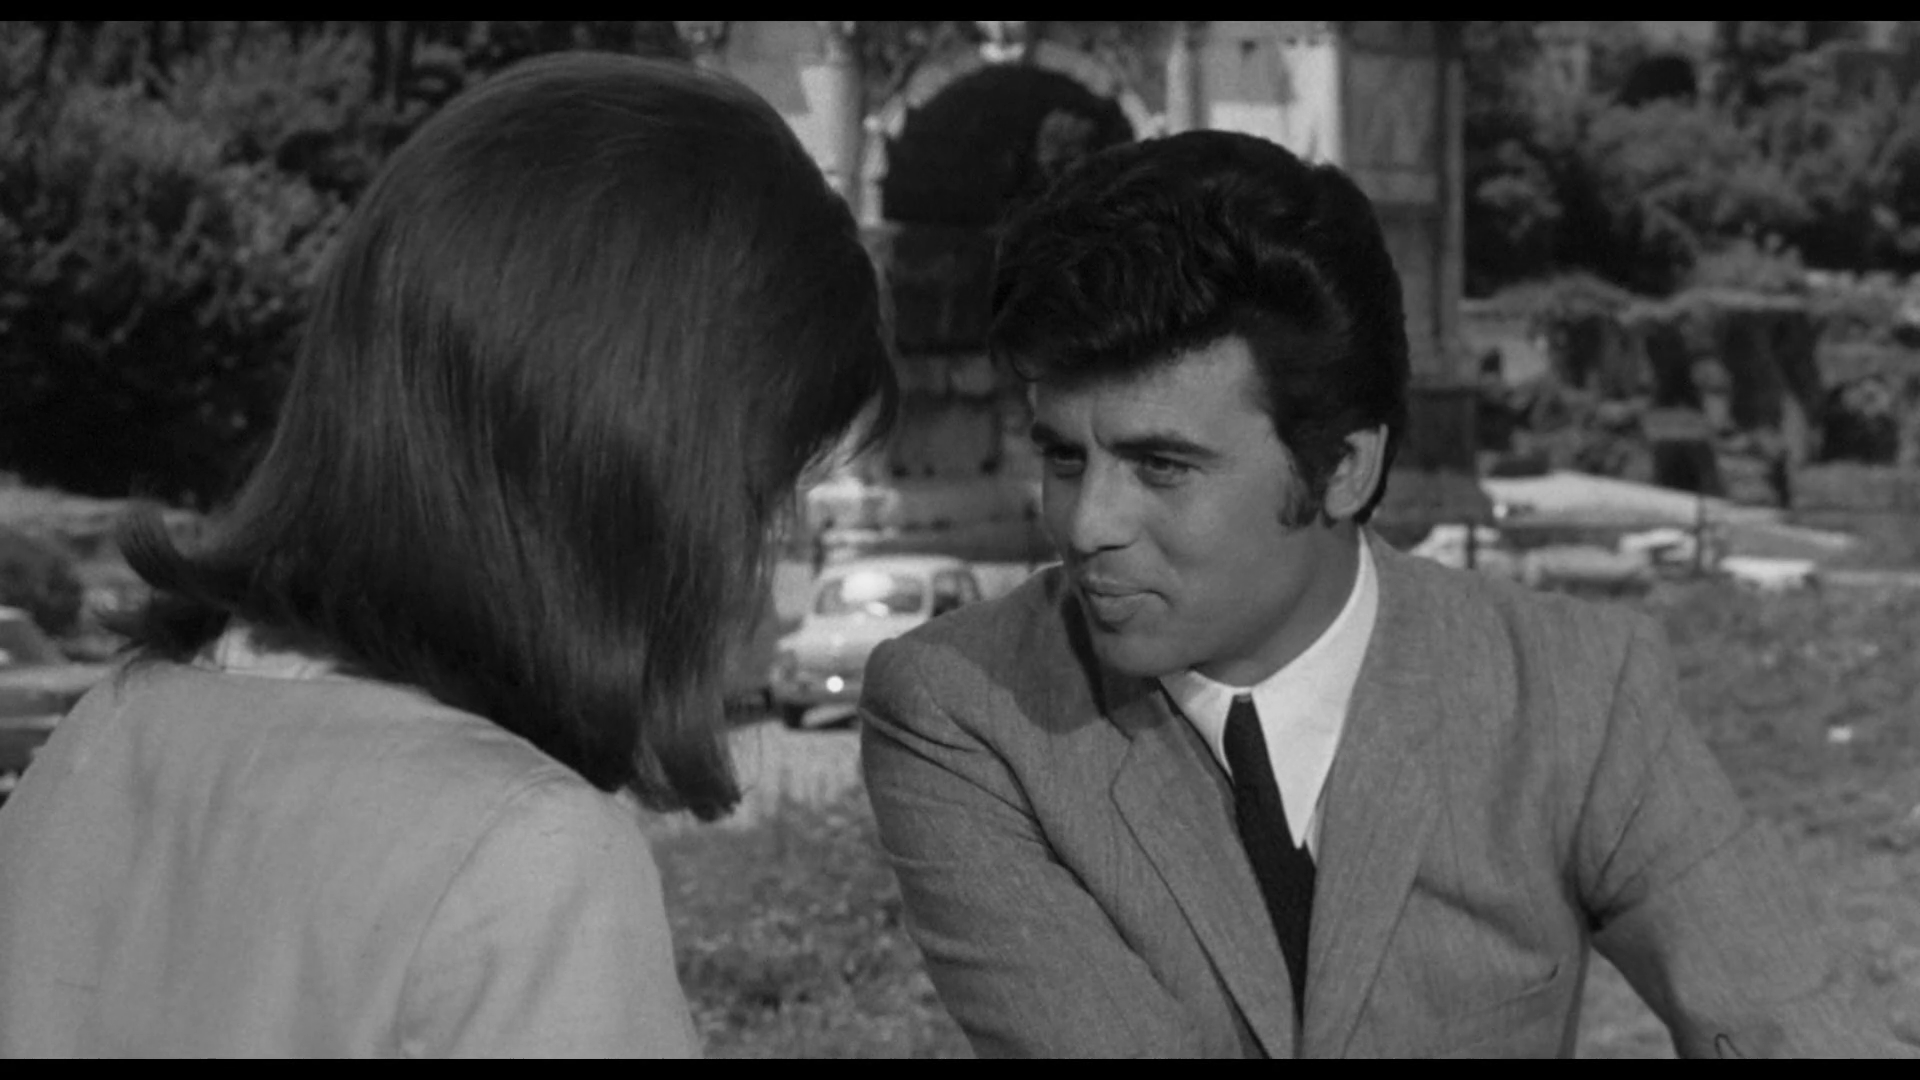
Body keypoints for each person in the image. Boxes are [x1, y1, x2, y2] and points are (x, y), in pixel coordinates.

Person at [858, 131, 1909, 1058]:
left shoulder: (1572, 687)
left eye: (1162, 466)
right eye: (1063, 456)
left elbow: (1789, 1015)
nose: (1087, 524)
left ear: (1343, 470)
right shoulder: (963, 709)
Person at [0, 52, 895, 1058]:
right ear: (630, 471)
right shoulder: (524, 855)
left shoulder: (104, 739)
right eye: (761, 493)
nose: (768, 560)